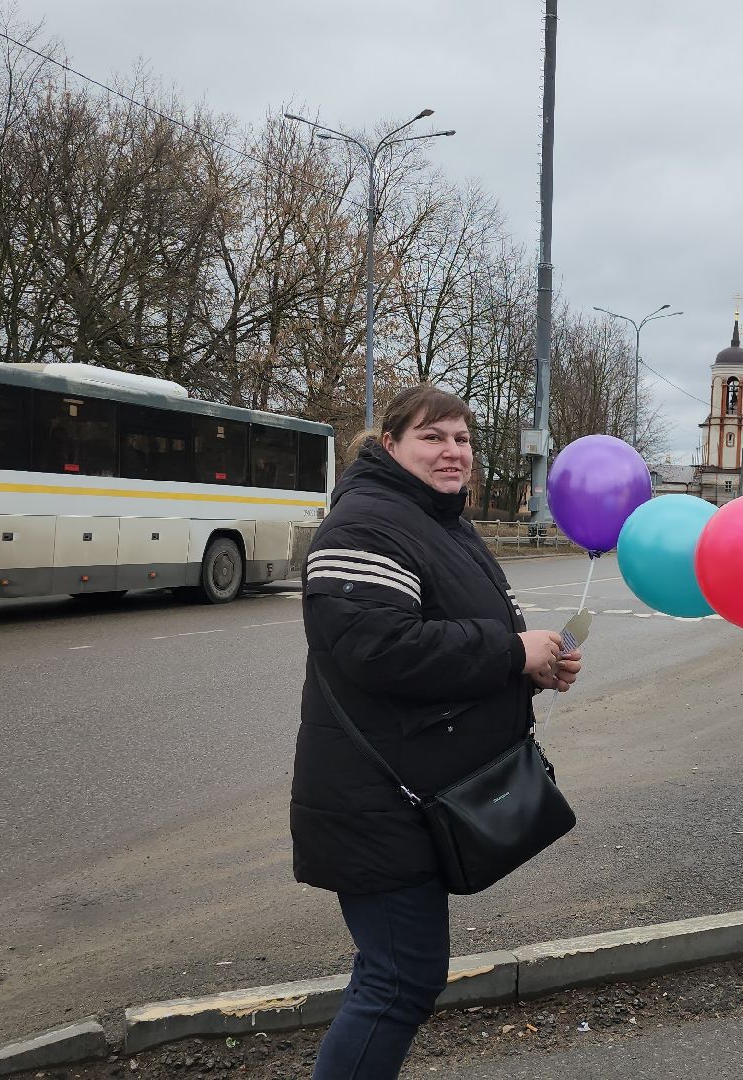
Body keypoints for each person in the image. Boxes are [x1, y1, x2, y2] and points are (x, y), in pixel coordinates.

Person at [292, 385, 582, 1080]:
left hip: (414, 793)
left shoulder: (440, 521)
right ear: (390, 444)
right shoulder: (366, 524)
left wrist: (530, 667)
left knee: (398, 977)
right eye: (433, 436)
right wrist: (514, 651)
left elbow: (452, 639)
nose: (453, 451)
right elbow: (379, 647)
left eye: (462, 439)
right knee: (397, 982)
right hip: (376, 803)